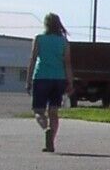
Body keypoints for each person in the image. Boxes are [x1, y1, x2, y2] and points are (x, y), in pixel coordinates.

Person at [25, 13, 74, 152]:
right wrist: (70, 82)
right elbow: (68, 63)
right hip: (59, 79)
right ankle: (51, 140)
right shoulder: (63, 41)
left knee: (39, 110)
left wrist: (28, 80)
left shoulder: (39, 39)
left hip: (41, 77)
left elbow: (33, 60)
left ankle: (46, 128)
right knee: (54, 111)